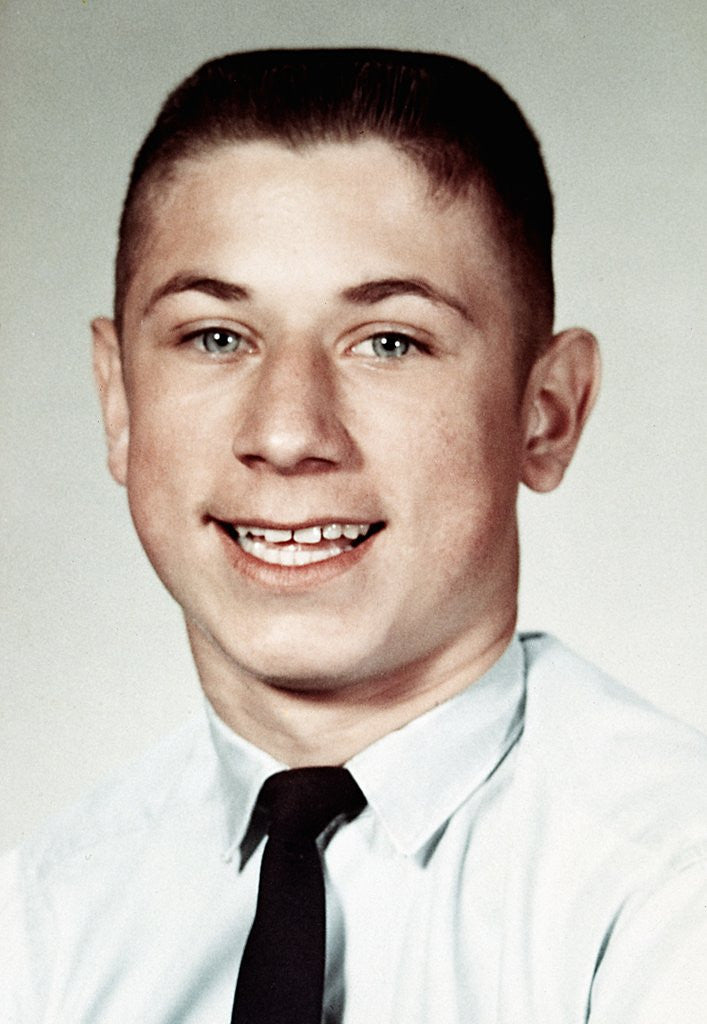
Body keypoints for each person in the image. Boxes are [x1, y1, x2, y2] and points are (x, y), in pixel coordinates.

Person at [2, 48, 705, 1023]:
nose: (287, 433)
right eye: (215, 336)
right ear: (118, 401)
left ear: (544, 413)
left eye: (389, 342)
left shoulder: (671, 889)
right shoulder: (43, 920)